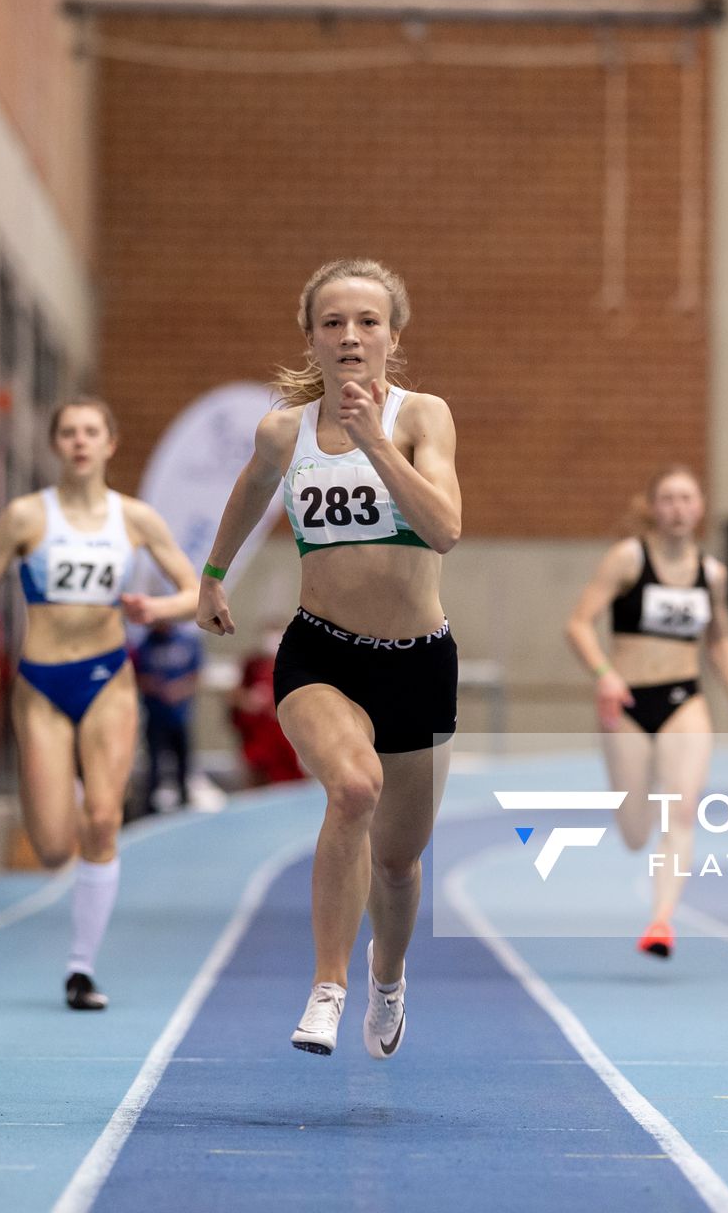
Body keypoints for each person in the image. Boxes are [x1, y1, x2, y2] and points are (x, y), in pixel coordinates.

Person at [195, 258, 461, 1059]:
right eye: (333, 322)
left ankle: (387, 977)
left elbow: (445, 526)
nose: (350, 336)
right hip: (323, 654)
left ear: (393, 337)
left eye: (367, 322)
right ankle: (327, 986)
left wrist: (378, 442)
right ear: (311, 336)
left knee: (399, 863)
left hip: (417, 662)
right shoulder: (286, 430)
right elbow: (250, 489)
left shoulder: (423, 418)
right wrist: (212, 573)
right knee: (353, 788)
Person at [0, 398, 199, 1011]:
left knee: (102, 820)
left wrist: (157, 609)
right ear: (56, 445)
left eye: (91, 431)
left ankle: (81, 968)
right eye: (68, 433)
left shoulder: (136, 519)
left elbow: (195, 591)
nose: (80, 442)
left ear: (110, 443)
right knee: (54, 849)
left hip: (108, 679)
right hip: (39, 685)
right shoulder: (24, 517)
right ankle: (56, 788)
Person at [564, 467, 728, 959]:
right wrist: (605, 674)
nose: (678, 508)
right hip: (629, 705)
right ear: (655, 507)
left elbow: (718, 638)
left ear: (700, 509)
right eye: (669, 499)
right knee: (636, 833)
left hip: (685, 701)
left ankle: (660, 921)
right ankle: (639, 815)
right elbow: (578, 625)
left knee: (681, 811)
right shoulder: (629, 559)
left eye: (687, 499)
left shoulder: (711, 573)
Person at [134, 621, 204, 813]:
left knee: (183, 762)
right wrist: (158, 688)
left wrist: (178, 690)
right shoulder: (144, 646)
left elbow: (197, 675)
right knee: (154, 764)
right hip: (156, 717)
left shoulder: (188, 643)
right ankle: (149, 808)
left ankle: (184, 802)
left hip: (180, 717)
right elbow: (137, 677)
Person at [230, 621, 306, 787]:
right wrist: (248, 701)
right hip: (257, 735)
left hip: (285, 736)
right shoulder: (252, 664)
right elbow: (235, 694)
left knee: (289, 782)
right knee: (256, 778)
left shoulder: (297, 665)